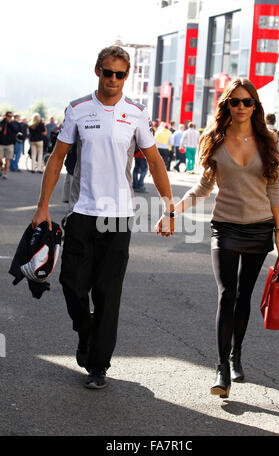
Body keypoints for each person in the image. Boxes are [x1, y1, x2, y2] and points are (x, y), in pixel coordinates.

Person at [31, 45, 174, 390]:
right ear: (97, 71)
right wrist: (42, 207)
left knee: (108, 293)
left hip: (119, 218)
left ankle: (98, 366)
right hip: (82, 212)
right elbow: (56, 159)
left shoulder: (136, 113)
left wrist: (168, 209)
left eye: (120, 74)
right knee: (71, 285)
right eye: (108, 72)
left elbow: (154, 162)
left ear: (126, 77)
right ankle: (86, 330)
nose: (113, 79)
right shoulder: (78, 109)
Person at [155, 78, 279, 399]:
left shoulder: (268, 140)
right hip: (226, 227)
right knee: (226, 294)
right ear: (226, 105)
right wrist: (172, 211)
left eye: (247, 102)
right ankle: (222, 369)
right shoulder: (214, 139)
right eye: (235, 102)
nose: (241, 107)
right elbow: (203, 187)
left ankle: (236, 354)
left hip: (259, 229)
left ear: (255, 106)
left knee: (244, 297)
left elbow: (273, 187)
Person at [0, 111, 20, 178]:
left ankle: (5, 173)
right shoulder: (1, 123)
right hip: (1, 143)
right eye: (8, 116)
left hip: (9, 144)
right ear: (6, 116)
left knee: (7, 159)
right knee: (0, 159)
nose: (9, 117)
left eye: (11, 116)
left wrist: (10, 123)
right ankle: (1, 166)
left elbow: (16, 130)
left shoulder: (13, 123)